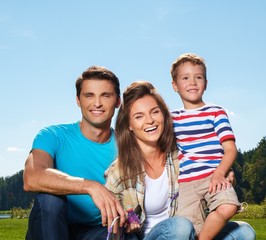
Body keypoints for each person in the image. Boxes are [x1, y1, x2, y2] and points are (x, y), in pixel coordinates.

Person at [23, 66, 126, 240]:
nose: (97, 103)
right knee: (51, 200)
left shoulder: (126, 146)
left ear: (118, 101)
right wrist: (90, 186)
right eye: (89, 95)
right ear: (78, 100)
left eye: (105, 95)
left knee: (122, 233)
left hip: (96, 230)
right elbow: (31, 177)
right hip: (49, 226)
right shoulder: (53, 136)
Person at [170, 53, 251, 239]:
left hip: (213, 176)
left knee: (228, 205)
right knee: (185, 228)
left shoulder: (216, 112)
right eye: (185, 78)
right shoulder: (171, 117)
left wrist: (220, 173)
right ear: (175, 85)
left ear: (205, 83)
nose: (192, 82)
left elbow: (230, 149)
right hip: (185, 183)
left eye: (198, 77)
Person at [105, 81, 197, 239]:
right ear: (129, 125)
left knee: (243, 231)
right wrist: (125, 225)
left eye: (154, 112)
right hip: (151, 236)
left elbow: (207, 175)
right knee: (180, 226)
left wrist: (224, 173)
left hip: (185, 233)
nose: (150, 121)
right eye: (139, 116)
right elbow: (111, 226)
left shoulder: (180, 154)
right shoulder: (118, 173)